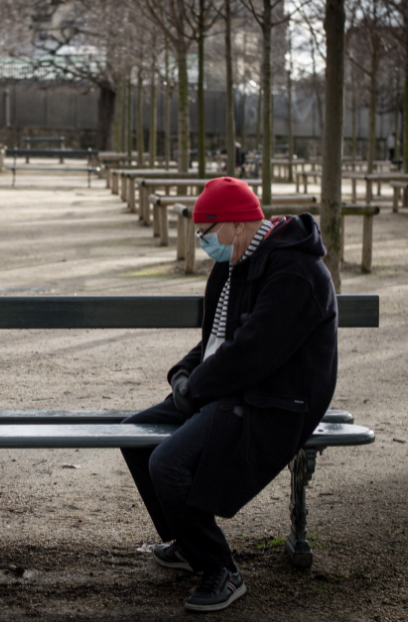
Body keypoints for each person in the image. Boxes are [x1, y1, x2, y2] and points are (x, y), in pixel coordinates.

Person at [120, 176, 338, 613]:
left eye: (207, 232)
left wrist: (194, 387)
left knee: (168, 463)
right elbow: (217, 342)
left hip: (275, 400)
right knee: (134, 436)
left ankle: (221, 569)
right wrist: (183, 373)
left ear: (237, 225)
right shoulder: (234, 263)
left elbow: (253, 352)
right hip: (231, 387)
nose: (203, 243)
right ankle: (188, 544)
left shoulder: (296, 271)